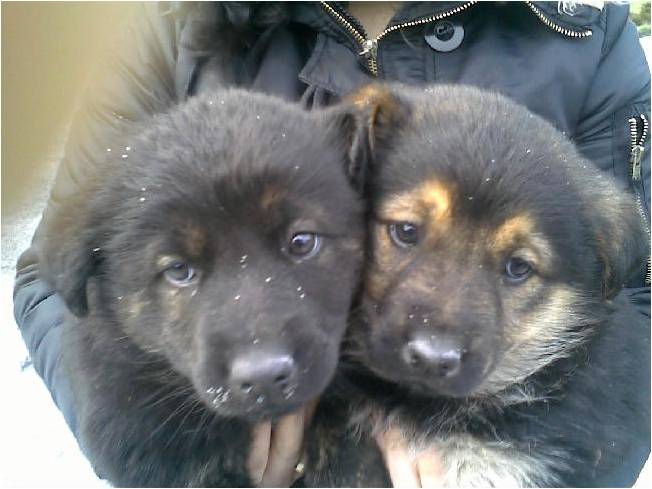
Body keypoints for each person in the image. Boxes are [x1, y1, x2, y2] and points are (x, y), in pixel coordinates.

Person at [13, 1, 650, 486]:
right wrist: (160, 451)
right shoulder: (172, 22)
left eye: (517, 264)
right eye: (404, 233)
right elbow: (60, 270)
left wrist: (554, 467)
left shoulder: (583, 31)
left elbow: (635, 294)